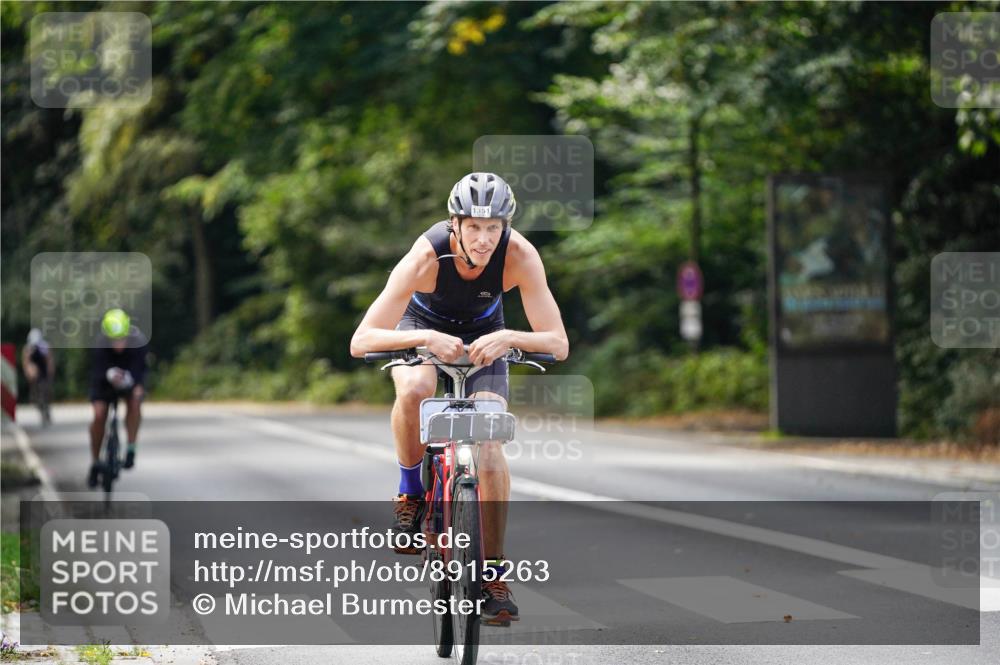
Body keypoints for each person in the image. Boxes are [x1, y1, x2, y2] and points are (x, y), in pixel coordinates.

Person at [350, 172, 569, 625]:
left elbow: (558, 342)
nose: (485, 239)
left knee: (489, 444)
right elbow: (362, 339)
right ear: (455, 224)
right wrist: (429, 338)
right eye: (474, 227)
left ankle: (492, 575)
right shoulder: (426, 256)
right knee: (415, 388)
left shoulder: (520, 254)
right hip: (422, 328)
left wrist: (509, 335)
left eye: (494, 228)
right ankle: (410, 494)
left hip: (488, 335)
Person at [87, 308, 148, 487]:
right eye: (114, 340)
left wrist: (136, 385)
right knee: (99, 415)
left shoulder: (139, 342)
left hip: (131, 379)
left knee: (135, 402)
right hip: (104, 382)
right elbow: (97, 374)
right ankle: (95, 461)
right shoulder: (100, 344)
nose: (119, 344)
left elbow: (141, 372)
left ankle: (131, 447)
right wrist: (109, 375)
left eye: (122, 339)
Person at [22, 328, 55, 426]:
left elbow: (49, 360)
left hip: (44, 374)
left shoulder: (44, 346)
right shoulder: (28, 348)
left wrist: (50, 373)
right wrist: (28, 374)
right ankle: (42, 410)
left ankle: (46, 412)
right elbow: (26, 363)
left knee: (45, 394)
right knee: (35, 397)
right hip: (35, 376)